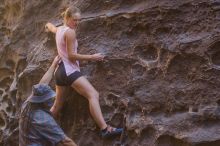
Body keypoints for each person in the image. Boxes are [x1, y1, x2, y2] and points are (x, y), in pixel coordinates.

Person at [45, 6, 123, 138]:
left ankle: (39, 127)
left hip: (59, 72)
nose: (77, 23)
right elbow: (71, 55)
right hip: (69, 71)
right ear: (67, 18)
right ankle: (105, 129)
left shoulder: (59, 29)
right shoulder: (70, 32)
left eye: (78, 20)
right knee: (93, 94)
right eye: (75, 20)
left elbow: (51, 27)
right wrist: (93, 57)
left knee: (57, 106)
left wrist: (46, 25)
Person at [19, 56, 77, 146]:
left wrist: (53, 64)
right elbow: (66, 141)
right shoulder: (43, 118)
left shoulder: (27, 104)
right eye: (49, 99)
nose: (52, 100)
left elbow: (42, 84)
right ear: (43, 102)